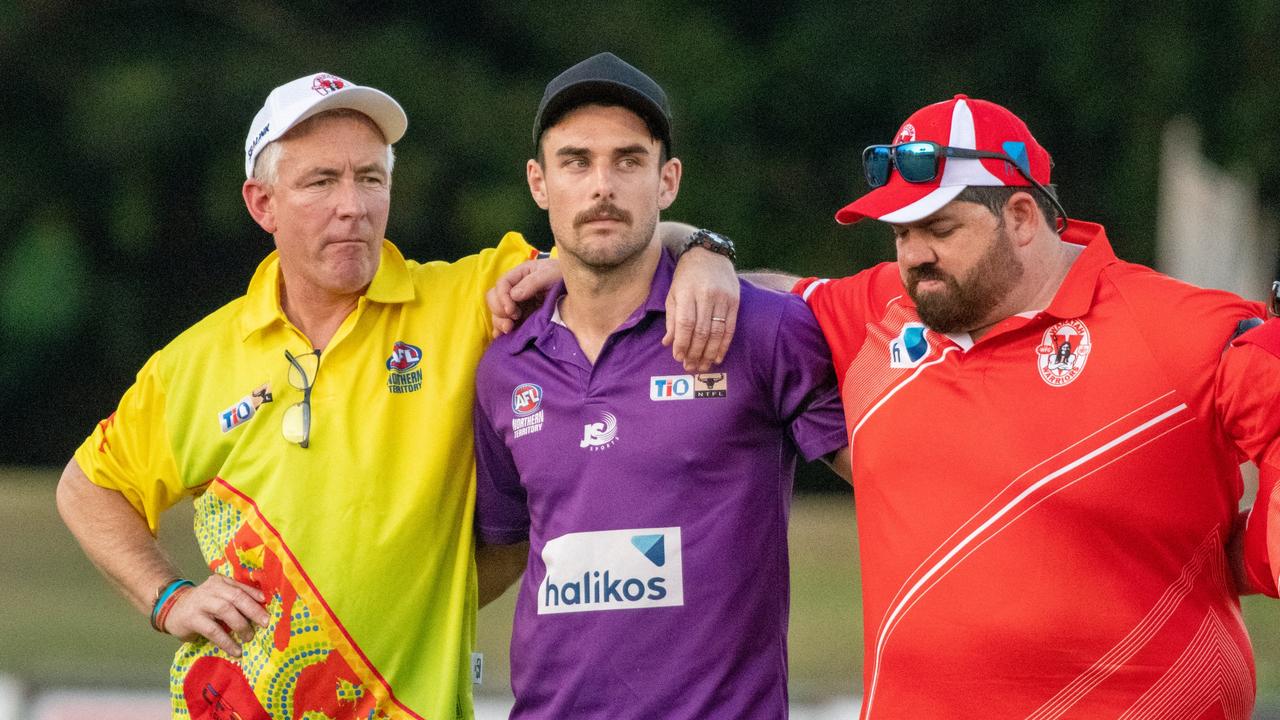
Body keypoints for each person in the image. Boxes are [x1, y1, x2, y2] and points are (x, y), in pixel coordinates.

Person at [54, 71, 738, 720]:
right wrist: (167, 596)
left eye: (370, 179)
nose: (352, 205)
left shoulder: (470, 299)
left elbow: (611, 246)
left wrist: (702, 249)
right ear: (261, 204)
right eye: (321, 181)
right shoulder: (194, 362)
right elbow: (89, 488)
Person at [744, 94, 1278, 718]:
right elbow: (760, 300)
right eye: (901, 234)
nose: (914, 255)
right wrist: (699, 250)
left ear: (1022, 216)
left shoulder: (1184, 329)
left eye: (940, 229)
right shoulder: (887, 309)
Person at [470, 52, 850, 719]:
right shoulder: (506, 366)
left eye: (628, 161)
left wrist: (706, 249)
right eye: (576, 162)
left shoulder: (759, 330)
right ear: (538, 182)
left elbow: (895, 481)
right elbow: (496, 556)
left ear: (667, 179)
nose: (602, 187)